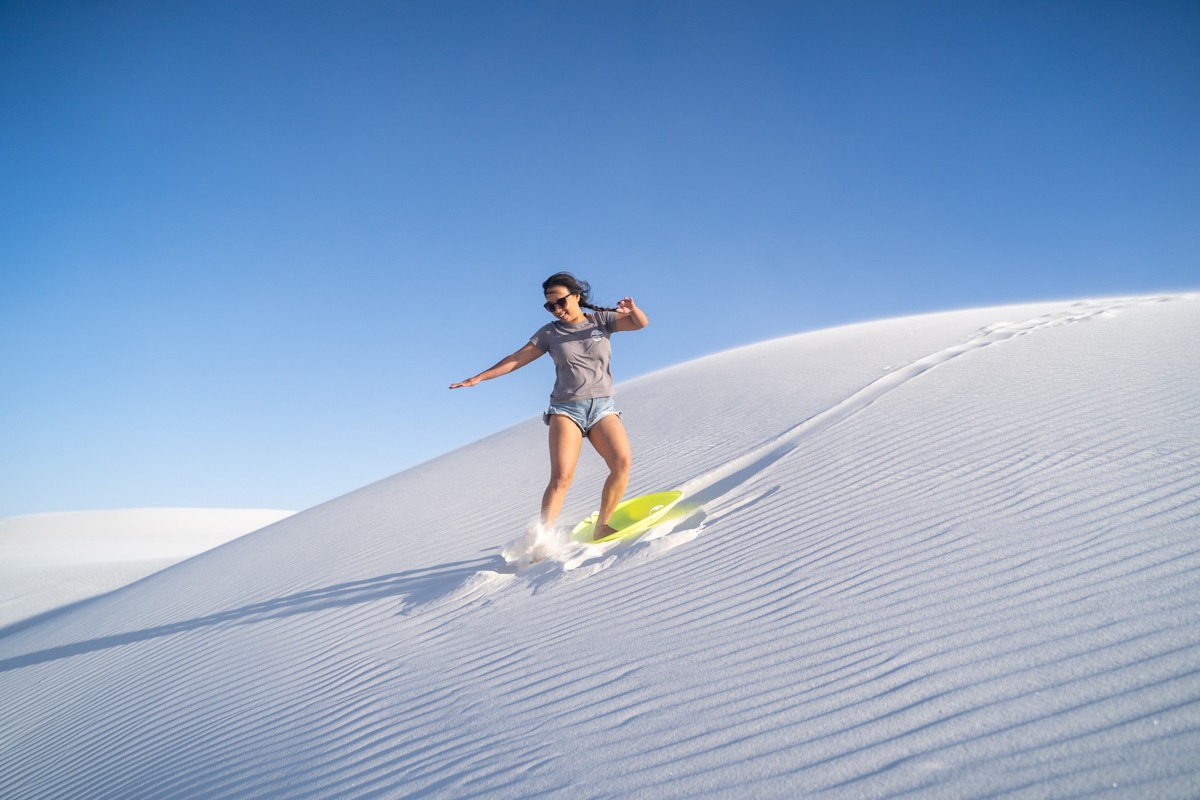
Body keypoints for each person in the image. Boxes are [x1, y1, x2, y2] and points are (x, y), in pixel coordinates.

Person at [450, 273, 649, 540]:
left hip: (603, 407)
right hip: (567, 410)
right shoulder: (549, 333)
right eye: (550, 306)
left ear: (576, 296)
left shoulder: (602, 321)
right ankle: (542, 541)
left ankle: (602, 525)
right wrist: (478, 378)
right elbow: (517, 358)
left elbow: (639, 324)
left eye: (561, 302)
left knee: (622, 463)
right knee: (562, 478)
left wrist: (633, 310)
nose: (557, 309)